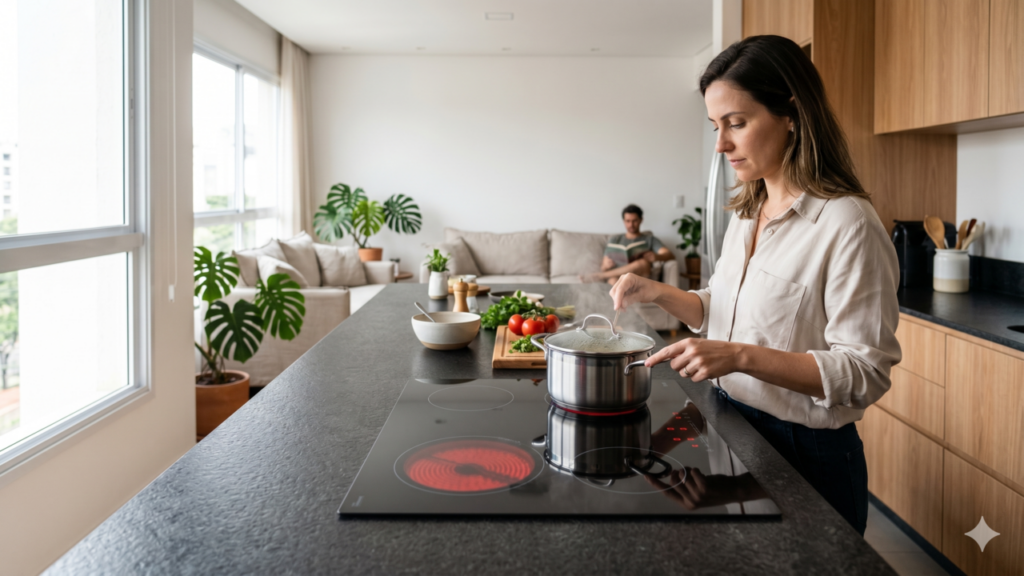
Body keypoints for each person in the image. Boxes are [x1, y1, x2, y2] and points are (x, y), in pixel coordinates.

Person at [609, 35, 901, 536]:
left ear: (791, 113)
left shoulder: (847, 223)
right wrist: (656, 292)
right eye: (715, 126)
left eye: (736, 124)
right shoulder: (748, 214)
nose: (721, 144)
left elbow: (864, 372)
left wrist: (739, 356)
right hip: (730, 429)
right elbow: (727, 309)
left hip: (806, 456)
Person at [586, 204, 675, 284]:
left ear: (641, 220)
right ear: (623, 221)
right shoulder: (614, 239)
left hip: (639, 277)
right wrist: (606, 266)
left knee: (643, 263)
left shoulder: (650, 239)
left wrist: (657, 257)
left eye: (634, 221)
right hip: (617, 278)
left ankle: (600, 276)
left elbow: (670, 255)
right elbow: (603, 267)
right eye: (627, 221)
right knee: (613, 281)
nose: (631, 224)